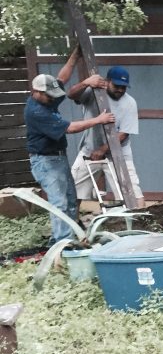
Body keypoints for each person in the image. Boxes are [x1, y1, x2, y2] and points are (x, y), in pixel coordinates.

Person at [25, 46, 115, 245]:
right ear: (36, 92)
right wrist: (98, 119)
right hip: (45, 161)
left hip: (58, 157)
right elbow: (71, 128)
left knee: (70, 199)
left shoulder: (47, 97)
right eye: (49, 95)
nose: (53, 97)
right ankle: (63, 244)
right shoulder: (37, 112)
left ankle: (72, 236)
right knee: (59, 202)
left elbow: (62, 77)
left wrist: (76, 54)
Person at [68, 66, 144, 205]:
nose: (120, 90)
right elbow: (71, 95)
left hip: (119, 153)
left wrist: (102, 150)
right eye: (117, 86)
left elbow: (124, 134)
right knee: (72, 191)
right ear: (107, 81)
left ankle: (140, 223)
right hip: (89, 151)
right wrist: (86, 82)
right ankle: (73, 224)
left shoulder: (130, 102)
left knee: (133, 193)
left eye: (124, 87)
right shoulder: (93, 92)